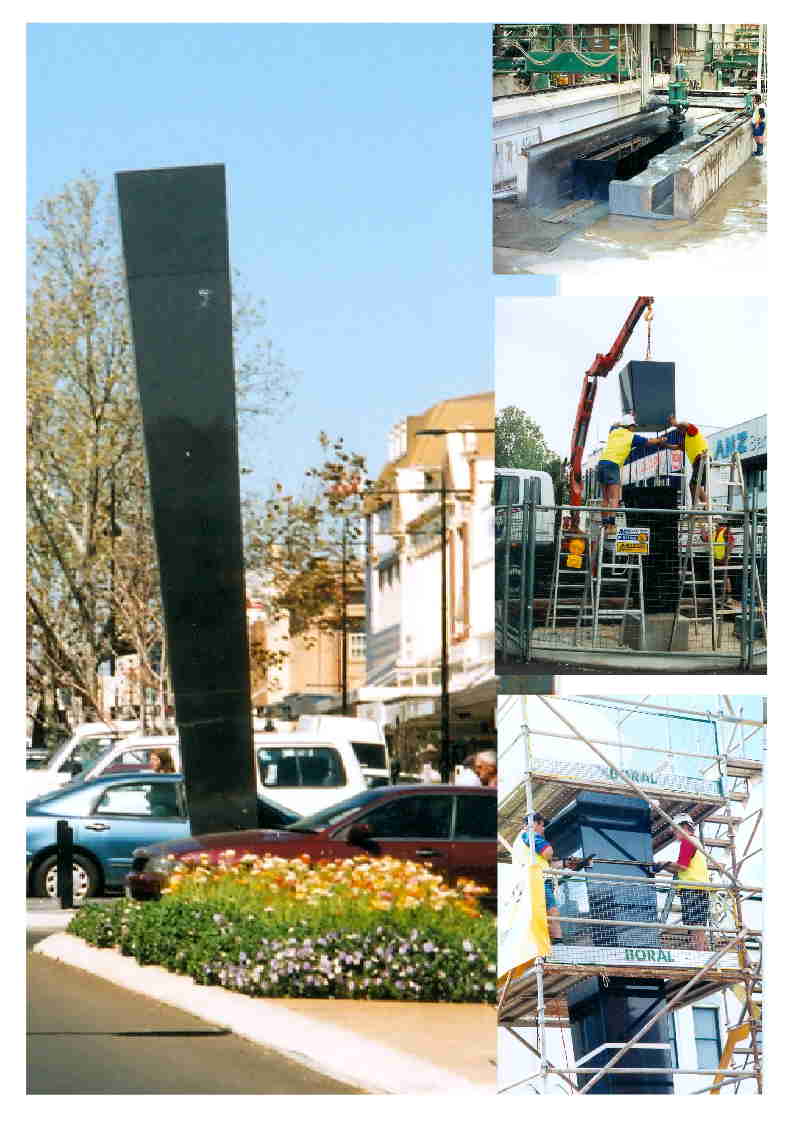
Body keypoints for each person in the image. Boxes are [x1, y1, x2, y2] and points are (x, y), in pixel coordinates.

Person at [516, 812, 590, 943]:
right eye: (542, 825)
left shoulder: (523, 841)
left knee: (546, 913)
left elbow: (549, 864)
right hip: (536, 880)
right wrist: (546, 844)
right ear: (534, 824)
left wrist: (567, 863)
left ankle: (554, 942)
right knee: (552, 912)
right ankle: (557, 942)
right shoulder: (528, 835)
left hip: (533, 879)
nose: (543, 829)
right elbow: (548, 852)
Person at [597, 414, 669, 535]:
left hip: (601, 463)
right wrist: (661, 440)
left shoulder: (613, 432)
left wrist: (626, 418)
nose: (634, 428)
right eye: (633, 426)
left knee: (605, 498)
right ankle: (611, 525)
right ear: (629, 426)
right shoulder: (631, 436)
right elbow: (649, 441)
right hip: (613, 465)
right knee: (615, 497)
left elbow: (614, 424)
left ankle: (604, 524)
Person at [653, 814, 710, 951]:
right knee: (697, 924)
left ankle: (699, 952)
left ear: (683, 827)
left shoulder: (687, 841)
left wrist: (664, 863)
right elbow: (681, 869)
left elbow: (682, 866)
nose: (673, 832)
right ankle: (700, 951)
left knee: (695, 924)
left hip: (693, 888)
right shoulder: (695, 842)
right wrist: (665, 866)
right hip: (698, 888)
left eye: (675, 829)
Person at [667, 416, 710, 507]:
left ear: (684, 429)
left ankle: (699, 508)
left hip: (702, 459)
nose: (680, 432)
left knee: (693, 485)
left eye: (680, 429)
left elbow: (686, 424)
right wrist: (663, 444)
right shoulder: (686, 441)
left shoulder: (692, 432)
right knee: (695, 485)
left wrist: (676, 423)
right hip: (699, 463)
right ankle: (705, 508)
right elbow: (676, 447)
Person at [701, 517, 738, 608]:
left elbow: (731, 543)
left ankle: (729, 597)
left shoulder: (725, 531)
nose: (713, 523)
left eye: (715, 522)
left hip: (723, 559)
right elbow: (705, 539)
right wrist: (702, 529)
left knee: (726, 578)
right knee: (720, 578)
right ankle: (722, 596)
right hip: (716, 559)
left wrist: (725, 556)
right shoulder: (714, 533)